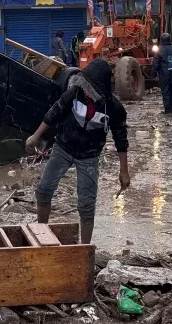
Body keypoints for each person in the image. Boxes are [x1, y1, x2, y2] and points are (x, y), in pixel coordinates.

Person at [26, 60, 130, 245]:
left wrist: (124, 171)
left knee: (86, 205)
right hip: (63, 147)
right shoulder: (74, 93)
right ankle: (42, 234)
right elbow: (55, 111)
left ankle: (85, 247)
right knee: (43, 191)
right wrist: (36, 135)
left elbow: (121, 140)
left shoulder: (114, 109)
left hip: (89, 157)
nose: (84, 88)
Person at [151, 33, 172, 113]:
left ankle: (167, 109)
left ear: (161, 40)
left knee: (166, 91)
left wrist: (153, 74)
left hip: (164, 75)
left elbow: (156, 64)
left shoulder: (159, 51)